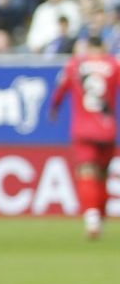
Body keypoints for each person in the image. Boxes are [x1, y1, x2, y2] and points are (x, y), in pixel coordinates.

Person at [49, 37, 117, 240]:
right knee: (103, 175)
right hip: (107, 128)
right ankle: (100, 217)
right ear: (104, 46)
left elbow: (60, 91)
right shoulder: (114, 64)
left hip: (83, 129)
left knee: (87, 171)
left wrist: (54, 109)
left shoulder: (75, 65)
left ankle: (92, 217)